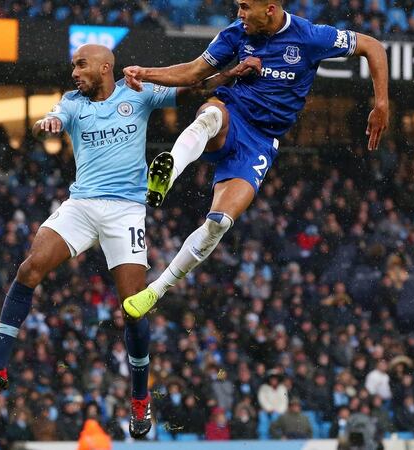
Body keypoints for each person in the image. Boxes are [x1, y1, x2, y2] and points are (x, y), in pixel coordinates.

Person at [0, 43, 247, 438]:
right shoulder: (71, 102)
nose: (74, 72)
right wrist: (45, 124)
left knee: (133, 308)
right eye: (73, 66)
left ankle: (139, 400)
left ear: (104, 67)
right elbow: (51, 118)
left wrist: (231, 73)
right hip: (81, 204)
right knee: (29, 269)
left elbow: (192, 85)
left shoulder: (138, 92)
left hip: (125, 211)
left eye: (81, 65)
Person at [120, 0, 389, 318]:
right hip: (234, 112)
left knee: (218, 224)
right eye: (238, 7)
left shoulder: (311, 37)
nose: (240, 14)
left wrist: (381, 103)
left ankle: (155, 291)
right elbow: (194, 72)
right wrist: (145, 73)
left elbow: (372, 46)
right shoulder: (235, 34)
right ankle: (168, 172)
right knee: (209, 116)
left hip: (261, 143)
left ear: (271, 10)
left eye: (246, 7)